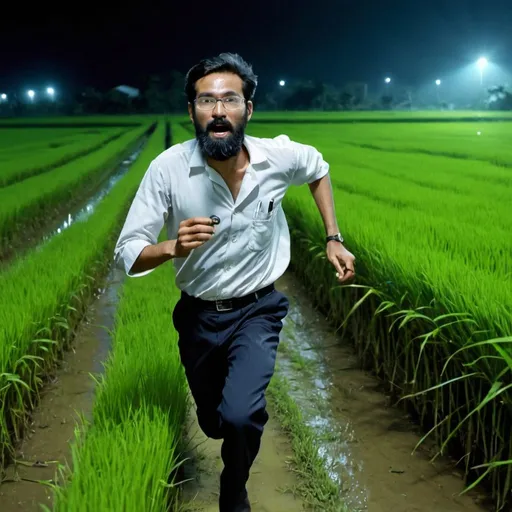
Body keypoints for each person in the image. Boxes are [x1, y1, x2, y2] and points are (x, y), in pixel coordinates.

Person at [113, 52, 356, 512]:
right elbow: (127, 251)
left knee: (241, 415)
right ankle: (220, 429)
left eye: (230, 99)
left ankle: (234, 488)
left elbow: (318, 167)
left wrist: (333, 238)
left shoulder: (278, 158)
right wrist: (172, 248)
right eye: (207, 101)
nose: (219, 111)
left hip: (258, 309)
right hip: (199, 315)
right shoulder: (167, 170)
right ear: (192, 113)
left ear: (248, 109)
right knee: (214, 421)